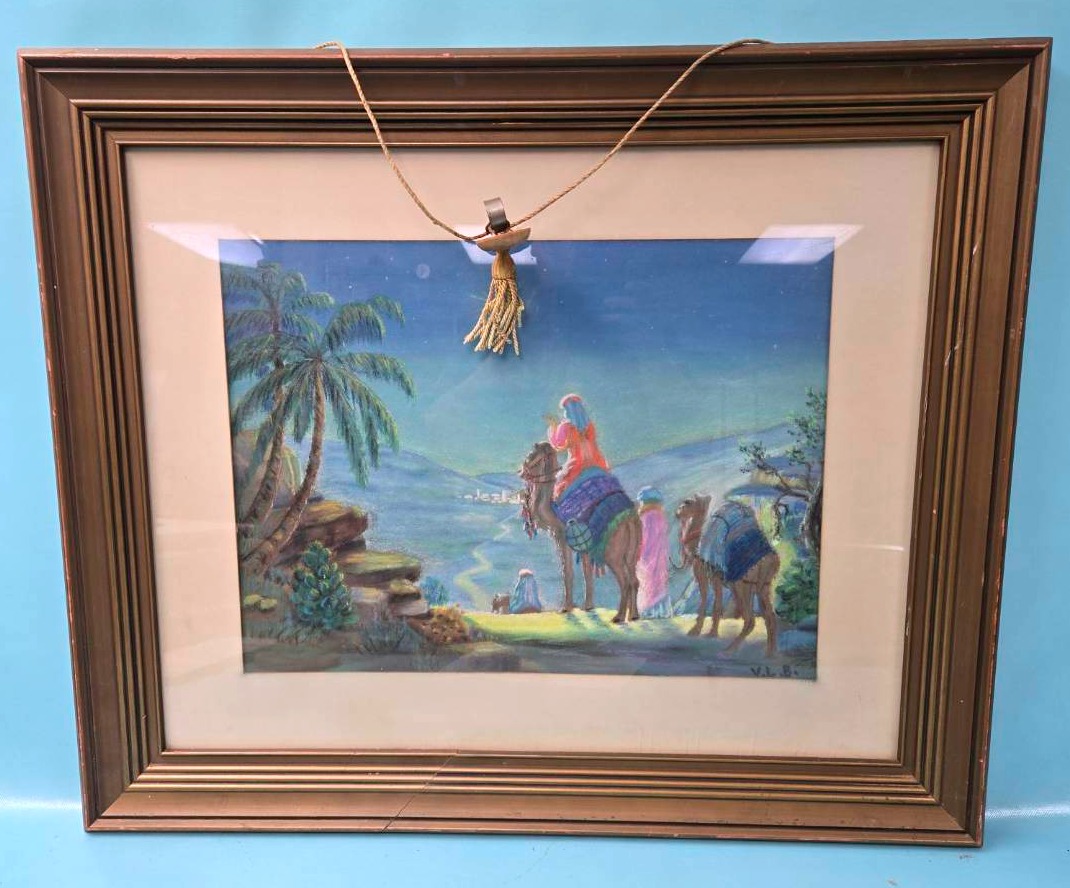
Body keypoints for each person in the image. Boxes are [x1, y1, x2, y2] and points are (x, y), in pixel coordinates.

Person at [545, 394, 610, 499]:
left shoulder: (565, 426)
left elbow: (557, 444)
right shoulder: (589, 425)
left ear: (567, 410)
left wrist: (553, 427)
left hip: (576, 464)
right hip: (597, 462)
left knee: (559, 487)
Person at [635, 486, 671, 618]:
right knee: (659, 583)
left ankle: (648, 610)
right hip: (659, 556)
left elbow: (643, 539)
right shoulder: (661, 517)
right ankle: (662, 611)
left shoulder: (645, 518)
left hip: (646, 555)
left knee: (647, 583)